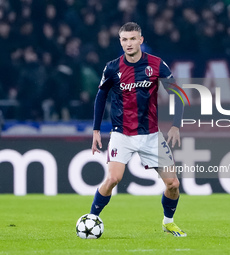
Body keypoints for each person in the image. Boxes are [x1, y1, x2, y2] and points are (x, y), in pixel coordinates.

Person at [90, 22, 186, 237]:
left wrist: (176, 126)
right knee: (113, 179)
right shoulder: (113, 67)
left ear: (141, 40)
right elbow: (101, 96)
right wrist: (96, 129)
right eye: (124, 39)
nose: (129, 43)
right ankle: (92, 218)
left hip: (151, 135)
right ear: (120, 42)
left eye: (133, 39)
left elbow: (177, 94)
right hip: (122, 134)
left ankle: (168, 222)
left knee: (173, 184)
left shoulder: (156, 64)